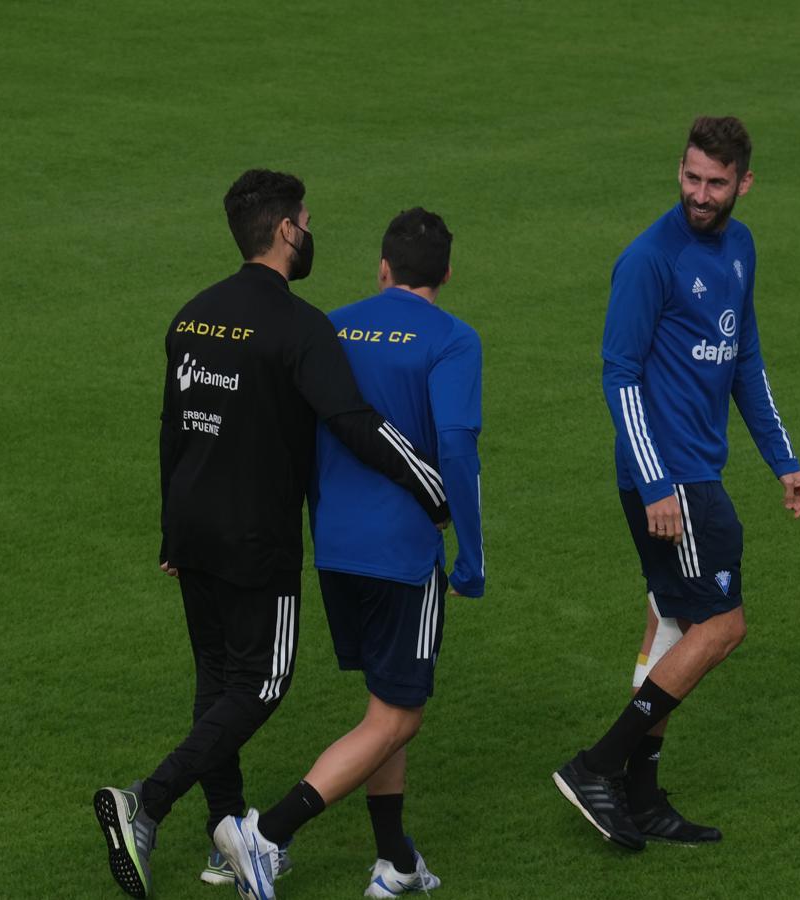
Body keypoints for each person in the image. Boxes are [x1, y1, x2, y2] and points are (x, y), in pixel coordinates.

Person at [93, 171, 450, 900]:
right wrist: (430, 482)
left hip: (191, 527)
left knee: (218, 684)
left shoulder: (192, 316)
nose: (310, 231)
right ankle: (146, 802)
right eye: (307, 221)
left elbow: (173, 431)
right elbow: (352, 421)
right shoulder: (299, 325)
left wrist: (170, 529)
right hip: (257, 537)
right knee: (262, 681)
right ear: (287, 231)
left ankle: (227, 840)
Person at [552, 116, 800, 850]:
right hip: (675, 480)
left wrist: (782, 459)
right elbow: (620, 374)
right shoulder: (649, 259)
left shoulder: (740, 248)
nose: (700, 194)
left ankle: (641, 797)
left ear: (744, 183)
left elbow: (745, 359)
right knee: (722, 626)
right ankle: (596, 765)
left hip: (693, 472)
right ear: (680, 169)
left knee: (669, 625)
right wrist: (656, 477)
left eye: (716, 183)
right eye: (691, 178)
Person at [213, 207, 483, 900]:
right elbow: (454, 447)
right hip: (402, 552)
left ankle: (395, 861)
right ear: (447, 274)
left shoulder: (329, 323)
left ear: (382, 269)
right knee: (400, 716)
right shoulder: (454, 340)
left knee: (380, 707)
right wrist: (471, 555)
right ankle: (266, 835)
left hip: (334, 547)